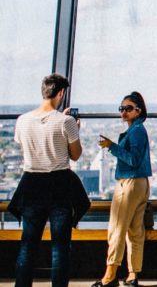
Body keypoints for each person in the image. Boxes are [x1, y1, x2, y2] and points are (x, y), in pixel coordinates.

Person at [8, 74, 90, 287]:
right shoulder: (67, 121)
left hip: (31, 184)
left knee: (28, 245)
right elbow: (75, 155)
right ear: (61, 93)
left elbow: (23, 146)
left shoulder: (23, 120)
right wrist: (74, 130)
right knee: (60, 248)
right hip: (59, 186)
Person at [92, 92, 153, 287]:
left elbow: (133, 159)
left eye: (128, 108)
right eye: (121, 108)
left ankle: (110, 276)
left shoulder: (136, 131)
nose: (123, 112)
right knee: (135, 230)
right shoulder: (137, 130)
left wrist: (112, 146)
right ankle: (133, 274)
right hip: (140, 183)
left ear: (138, 111)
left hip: (129, 183)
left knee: (117, 229)